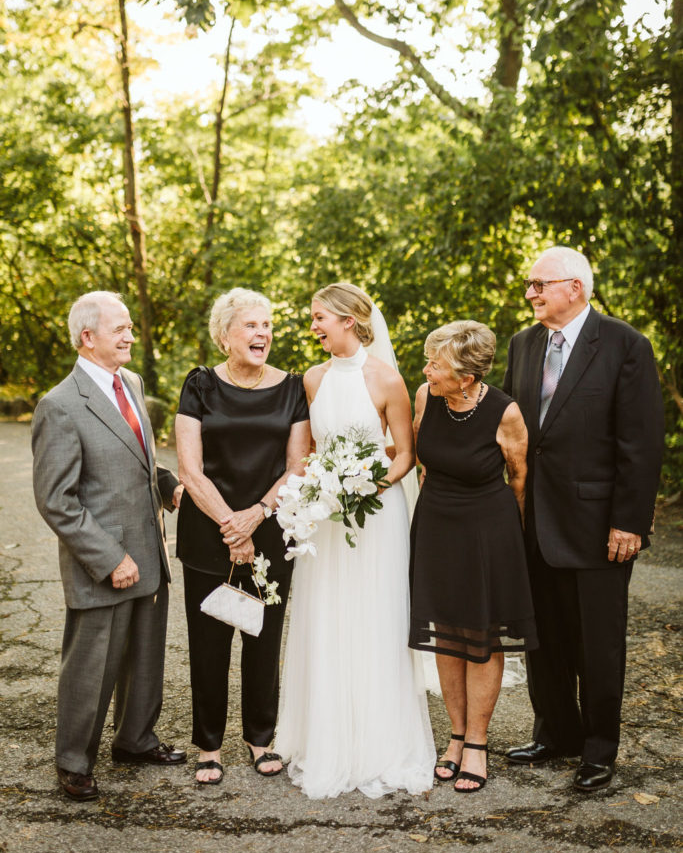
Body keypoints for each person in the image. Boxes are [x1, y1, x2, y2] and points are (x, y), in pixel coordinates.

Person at [503, 246, 664, 791]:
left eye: (538, 284)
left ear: (574, 287)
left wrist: (630, 522)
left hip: (599, 525)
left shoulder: (625, 345)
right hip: (534, 520)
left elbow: (641, 445)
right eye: (530, 285)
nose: (530, 293)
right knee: (543, 638)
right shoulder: (523, 345)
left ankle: (598, 750)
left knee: (598, 643)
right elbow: (518, 433)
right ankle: (555, 733)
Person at [275, 283, 435, 799]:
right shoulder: (313, 378)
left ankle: (381, 741)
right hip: (326, 518)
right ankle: (326, 736)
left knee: (375, 617)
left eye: (320, 317)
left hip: (376, 514)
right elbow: (308, 451)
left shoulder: (386, 378)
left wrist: (364, 489)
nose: (313, 326)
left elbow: (405, 456)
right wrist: (318, 493)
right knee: (327, 616)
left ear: (349, 319)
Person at [31, 291, 185, 802]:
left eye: (129, 328)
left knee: (145, 657)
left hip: (149, 549)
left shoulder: (132, 384)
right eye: (119, 329)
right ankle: (74, 763)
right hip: (104, 562)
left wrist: (167, 486)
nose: (130, 336)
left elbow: (139, 458)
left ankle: (135, 740)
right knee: (91, 666)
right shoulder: (59, 405)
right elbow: (57, 500)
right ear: (87, 337)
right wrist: (108, 557)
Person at [175, 288, 310, 784]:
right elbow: (189, 468)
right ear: (225, 334)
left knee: (263, 637)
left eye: (268, 325)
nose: (263, 334)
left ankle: (260, 737)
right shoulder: (200, 384)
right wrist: (231, 526)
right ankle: (208, 745)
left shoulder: (292, 387)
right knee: (208, 640)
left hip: (272, 528)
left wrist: (254, 517)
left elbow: (297, 466)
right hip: (208, 528)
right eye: (252, 326)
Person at [409, 321, 537, 794]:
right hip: (437, 523)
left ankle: (479, 743)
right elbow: (422, 460)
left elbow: (520, 480)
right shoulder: (426, 397)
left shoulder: (506, 413)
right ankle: (456, 735)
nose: (427, 371)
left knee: (482, 635)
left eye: (436, 365)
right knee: (445, 631)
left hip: (488, 527)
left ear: (466, 377)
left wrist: (510, 542)